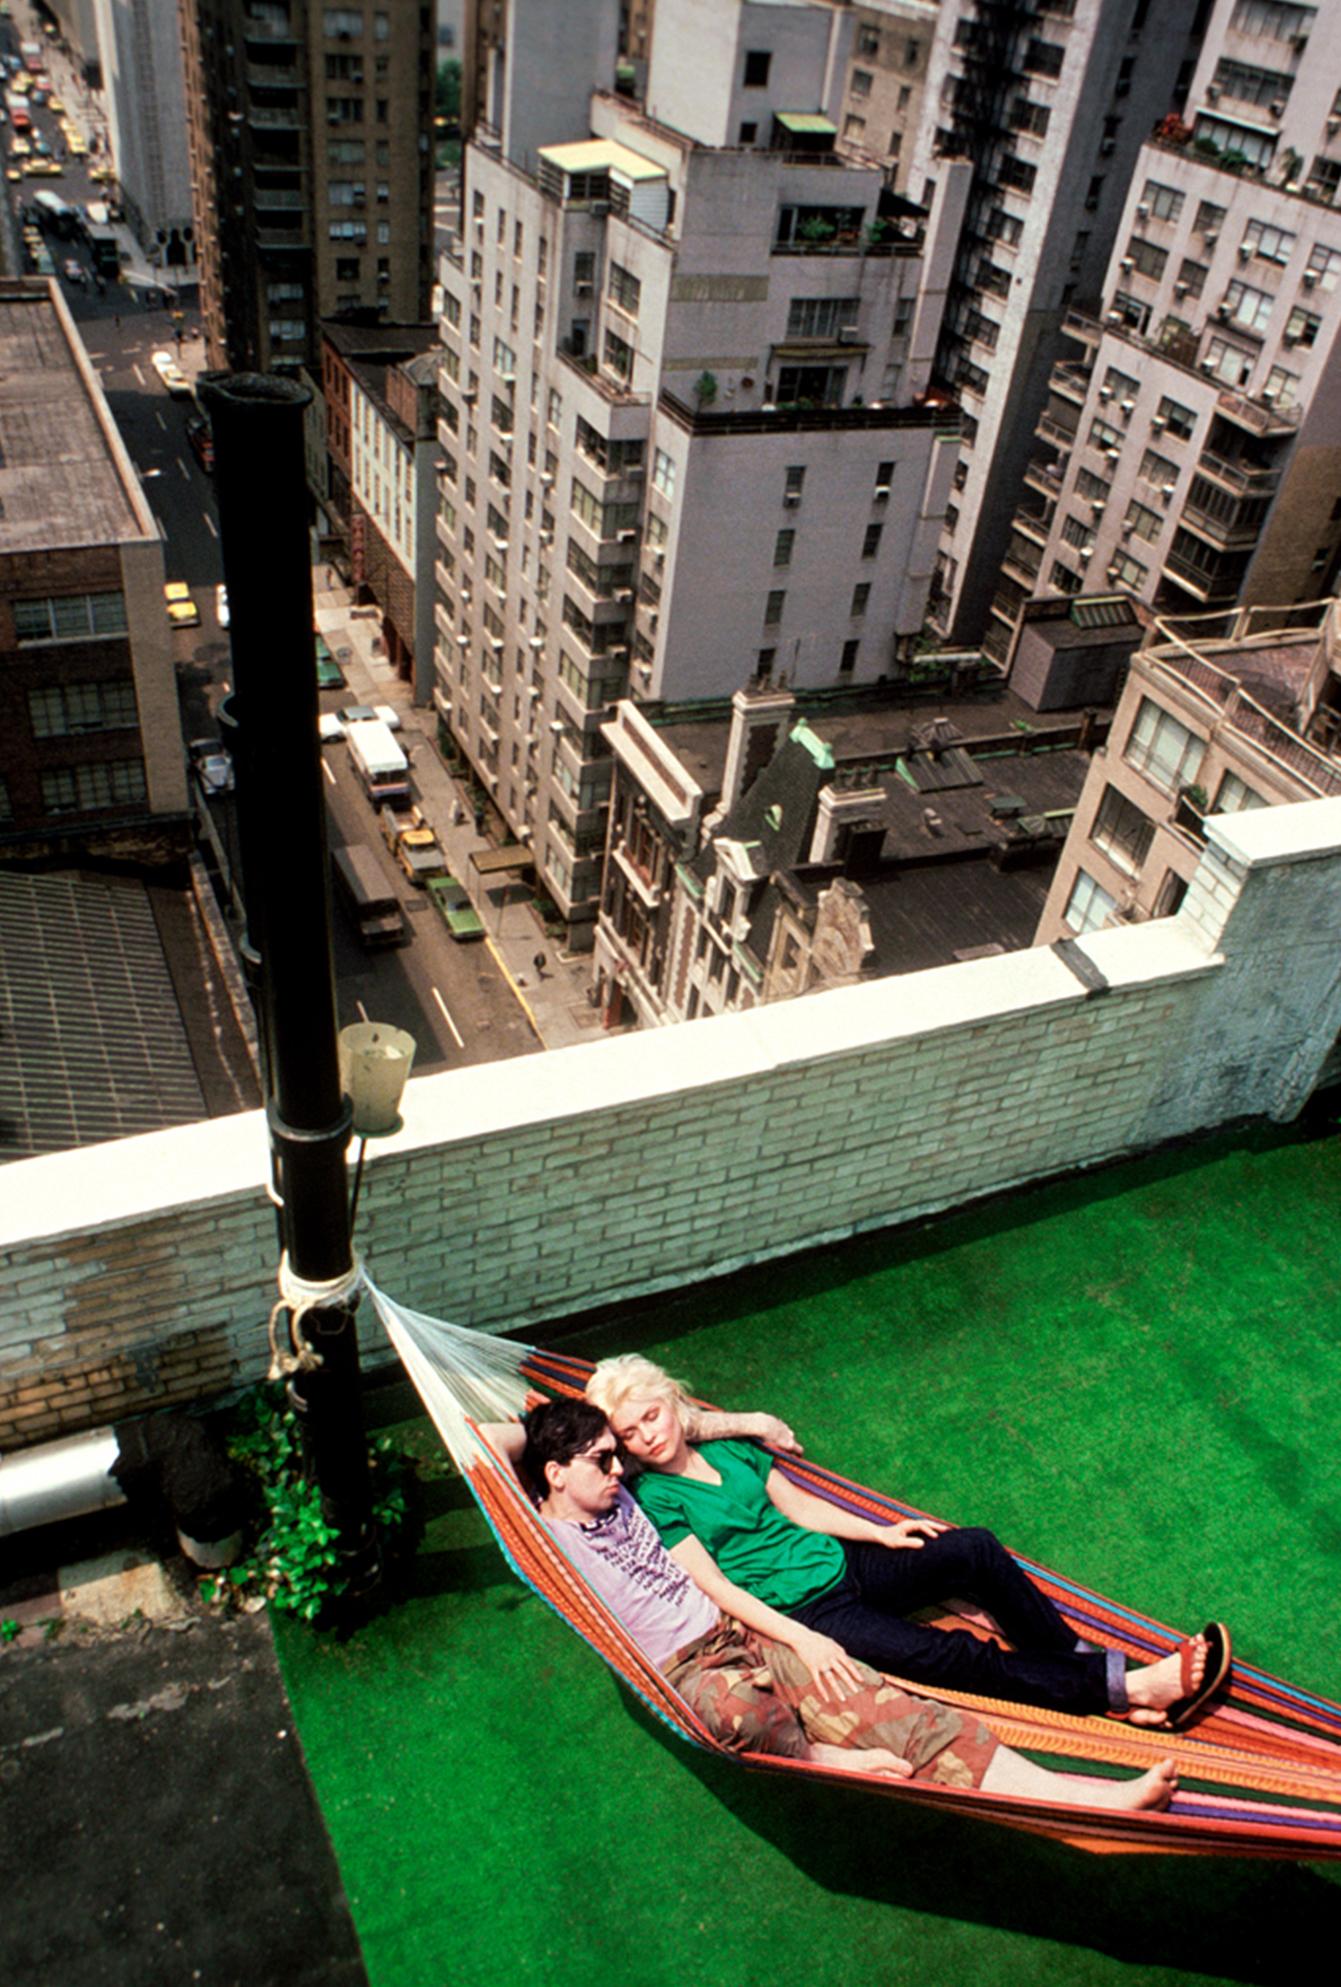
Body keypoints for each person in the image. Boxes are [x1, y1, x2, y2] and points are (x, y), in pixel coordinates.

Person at [497, 1399, 1177, 1811]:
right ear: (555, 1473)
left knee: (903, 1710)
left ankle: (1100, 1796)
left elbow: (673, 1425)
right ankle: (821, 1756)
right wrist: (545, 1432)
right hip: (688, 1665)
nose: (621, 1469)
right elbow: (492, 1445)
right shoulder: (549, 1537)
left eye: (619, 1454)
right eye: (603, 1460)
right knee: (739, 1711)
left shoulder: (629, 1493)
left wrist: (742, 1421)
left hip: (750, 1629)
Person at [585, 1356, 1231, 1731]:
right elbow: (716, 1586)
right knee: (952, 1656)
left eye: (652, 1414)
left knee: (970, 1547)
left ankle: (1082, 1661)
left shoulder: (728, 1449)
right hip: (811, 1612)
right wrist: (800, 1637)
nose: (647, 1435)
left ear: (673, 1404)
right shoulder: (654, 1502)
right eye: (629, 1431)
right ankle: (1133, 1689)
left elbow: (799, 1506)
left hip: (845, 1563)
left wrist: (880, 1531)